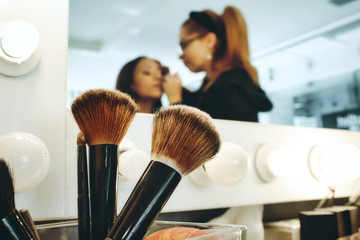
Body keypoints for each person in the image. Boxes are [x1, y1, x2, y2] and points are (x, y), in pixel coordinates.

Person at [163, 6, 273, 122]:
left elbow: (196, 136)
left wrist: (175, 101)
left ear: (210, 41)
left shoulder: (231, 90)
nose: (180, 55)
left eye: (184, 45)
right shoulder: (211, 85)